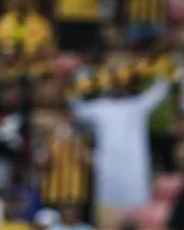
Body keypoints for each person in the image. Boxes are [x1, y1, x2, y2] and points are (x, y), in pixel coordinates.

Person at [73, 75, 171, 210]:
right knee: (108, 209)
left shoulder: (137, 105)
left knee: (136, 208)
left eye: (122, 83)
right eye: (115, 83)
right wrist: (83, 80)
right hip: (108, 168)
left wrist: (157, 70)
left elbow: (160, 89)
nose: (118, 87)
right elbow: (77, 108)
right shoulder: (100, 107)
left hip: (133, 168)